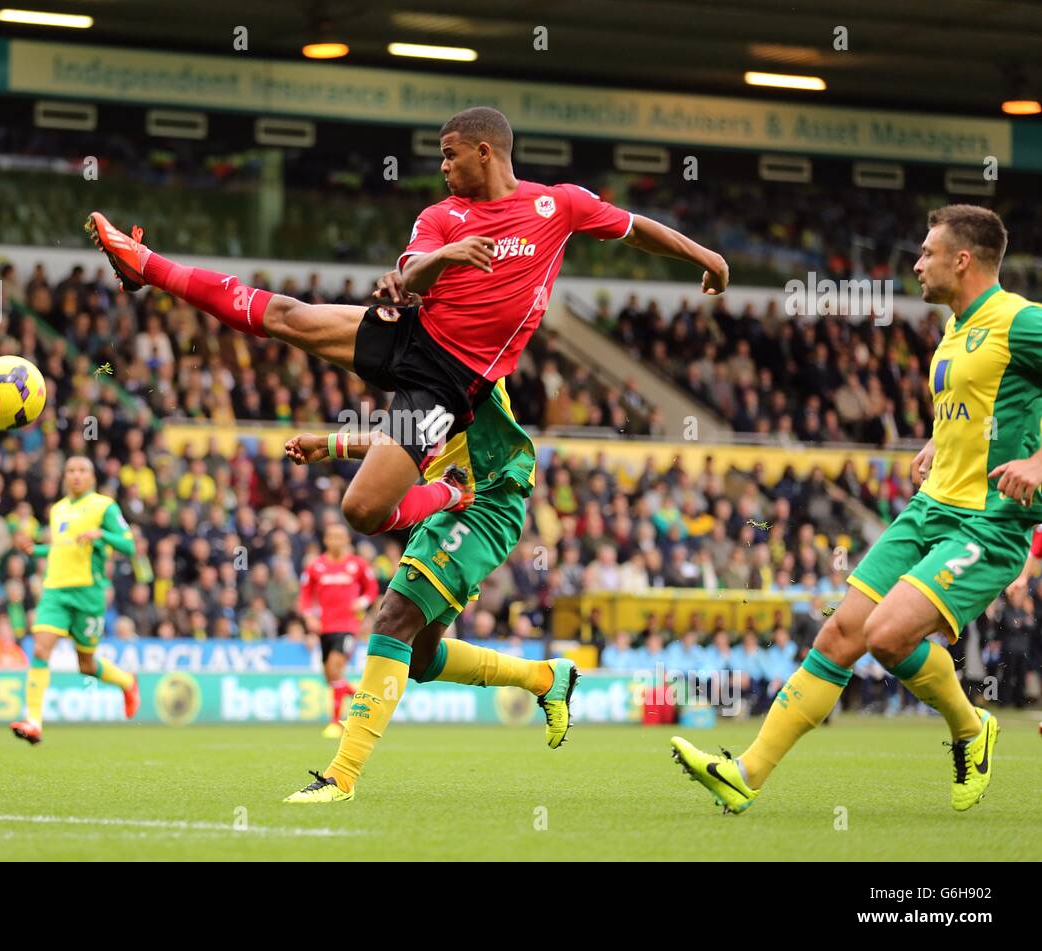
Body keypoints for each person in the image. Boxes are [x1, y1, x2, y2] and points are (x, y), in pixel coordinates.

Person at [87, 106, 727, 542]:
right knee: (284, 316)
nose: (443, 167)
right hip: (414, 335)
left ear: (485, 151)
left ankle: (450, 492)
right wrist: (433, 263)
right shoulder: (443, 216)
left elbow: (635, 228)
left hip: (451, 384)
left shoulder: (558, 205)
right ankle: (146, 265)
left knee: (362, 511)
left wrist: (704, 255)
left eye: (450, 156)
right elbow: (412, 273)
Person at [673, 204, 1042, 814]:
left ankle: (972, 729)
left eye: (926, 253)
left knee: (886, 636)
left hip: (989, 521)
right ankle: (746, 773)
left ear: (963, 259)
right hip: (930, 510)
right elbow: (985, 407)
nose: (917, 264)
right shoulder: (955, 328)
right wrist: (940, 441)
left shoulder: (1020, 321)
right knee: (842, 632)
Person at [282, 273, 577, 803]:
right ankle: (544, 677)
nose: (404, 306)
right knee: (418, 658)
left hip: (483, 498)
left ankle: (340, 776)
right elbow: (400, 441)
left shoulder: (468, 354)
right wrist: (330, 443)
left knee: (393, 617)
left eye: (415, 297)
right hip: (459, 495)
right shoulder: (425, 364)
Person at [9, 456, 140, 744]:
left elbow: (129, 545)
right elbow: (63, 549)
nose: (76, 475)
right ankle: (33, 722)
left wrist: (102, 534)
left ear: (92, 477)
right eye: (70, 471)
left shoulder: (104, 506)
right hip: (55, 590)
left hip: (88, 594)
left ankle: (128, 682)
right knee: (41, 650)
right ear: (64, 477)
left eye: (82, 470)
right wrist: (39, 551)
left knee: (87, 665)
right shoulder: (58, 510)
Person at [299, 523, 380, 738]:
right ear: (326, 540)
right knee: (331, 678)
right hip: (324, 626)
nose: (336, 540)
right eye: (332, 536)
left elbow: (372, 589)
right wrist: (309, 617)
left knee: (335, 668)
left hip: (347, 627)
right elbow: (305, 595)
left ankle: (335, 723)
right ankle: (364, 700)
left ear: (347, 540)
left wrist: (362, 602)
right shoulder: (315, 566)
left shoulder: (358, 565)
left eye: (340, 536)